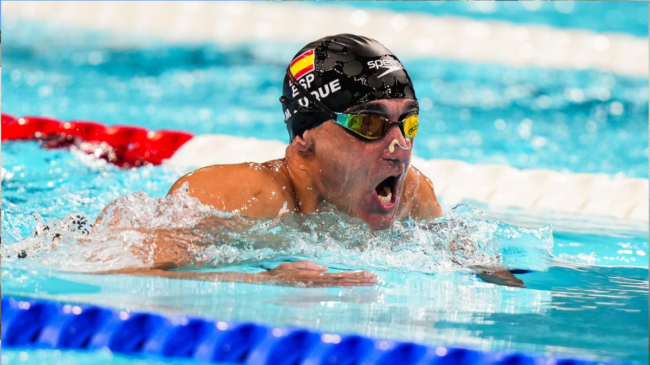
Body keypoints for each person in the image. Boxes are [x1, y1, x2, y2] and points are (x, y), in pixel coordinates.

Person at [100, 34, 523, 288]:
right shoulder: (238, 198)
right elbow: (125, 272)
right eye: (370, 123)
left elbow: (479, 267)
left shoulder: (412, 195)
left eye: (407, 123)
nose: (399, 146)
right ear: (304, 135)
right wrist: (260, 282)